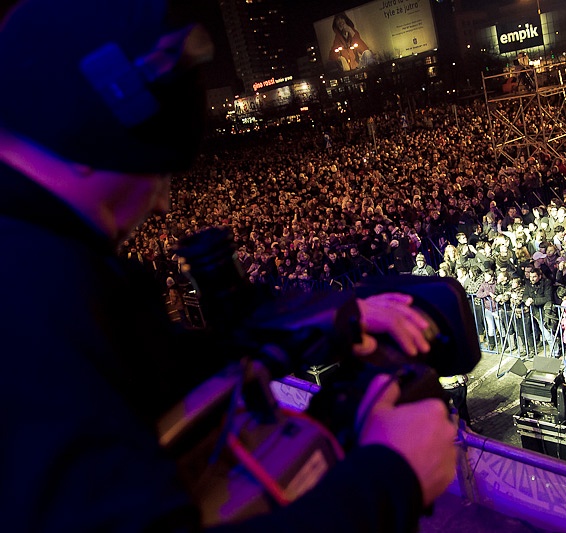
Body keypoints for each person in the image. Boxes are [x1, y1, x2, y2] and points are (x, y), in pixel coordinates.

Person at [0, 2, 456, 531]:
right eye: (161, 172)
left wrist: (330, 321)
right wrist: (391, 477)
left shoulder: (43, 257)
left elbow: (165, 365)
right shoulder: (32, 296)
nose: (163, 203)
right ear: (83, 138)